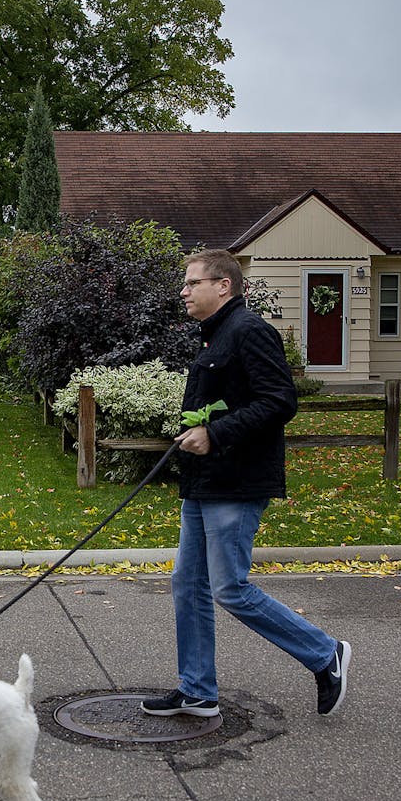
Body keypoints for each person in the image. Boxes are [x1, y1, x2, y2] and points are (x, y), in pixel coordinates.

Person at [142, 249, 352, 719]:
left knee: (230, 587)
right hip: (205, 482)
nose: (184, 291)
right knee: (187, 583)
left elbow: (280, 401)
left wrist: (214, 434)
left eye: (193, 282)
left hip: (236, 483)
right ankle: (197, 689)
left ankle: (325, 653)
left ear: (223, 286)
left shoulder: (250, 331)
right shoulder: (213, 337)